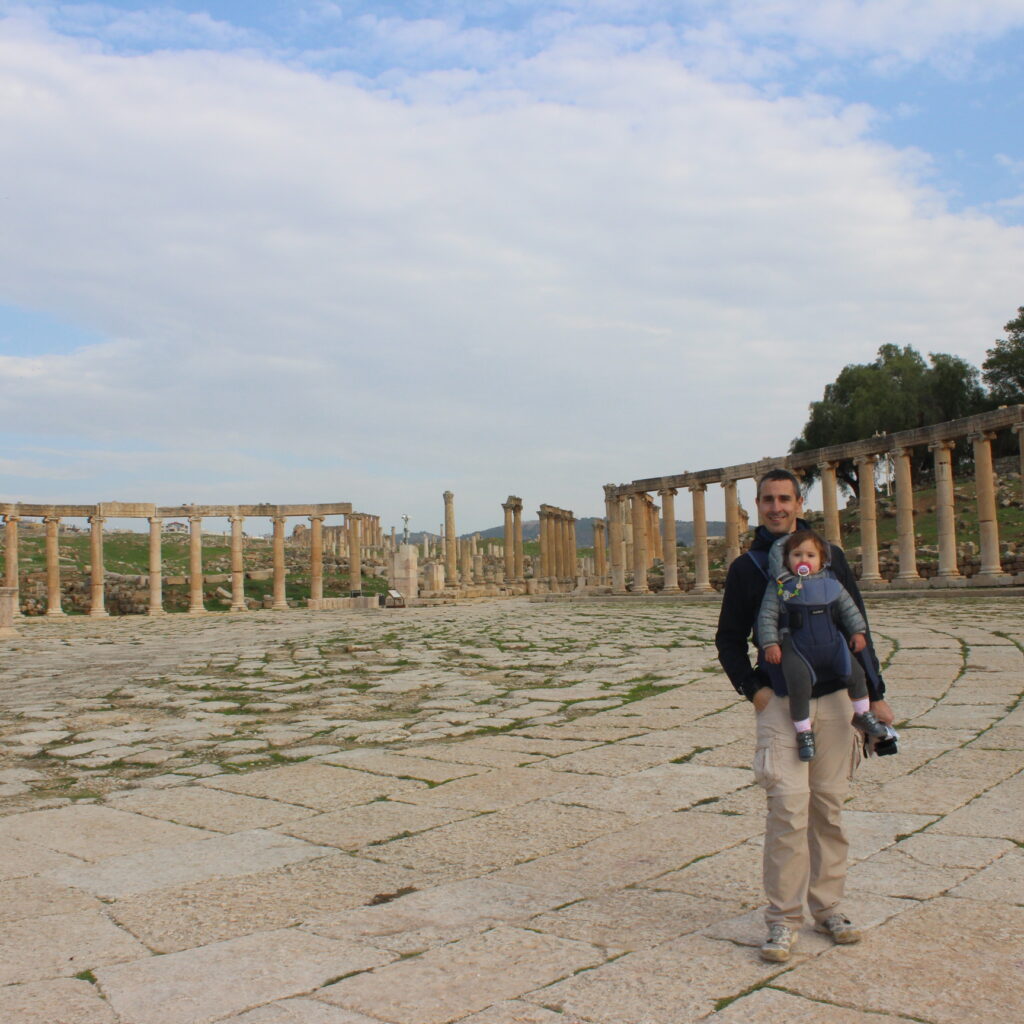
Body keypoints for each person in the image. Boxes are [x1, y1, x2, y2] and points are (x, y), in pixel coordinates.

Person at [715, 468, 894, 963]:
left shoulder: (829, 557)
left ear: (798, 502)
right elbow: (728, 640)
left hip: (837, 698)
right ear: (757, 505)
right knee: (787, 809)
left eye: (785, 499)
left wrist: (874, 694)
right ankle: (782, 919)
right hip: (780, 700)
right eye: (768, 500)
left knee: (829, 807)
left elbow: (858, 625)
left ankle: (828, 907)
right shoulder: (748, 568)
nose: (777, 507)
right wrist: (754, 692)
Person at [757, 528, 890, 762]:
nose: (803, 560)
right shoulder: (780, 585)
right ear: (786, 559)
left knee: (856, 674)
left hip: (833, 644)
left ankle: (862, 713)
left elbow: (849, 609)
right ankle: (803, 731)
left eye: (810, 555)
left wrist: (859, 632)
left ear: (822, 560)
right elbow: (767, 616)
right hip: (797, 647)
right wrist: (770, 644)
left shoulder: (831, 582)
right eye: (797, 555)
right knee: (798, 684)